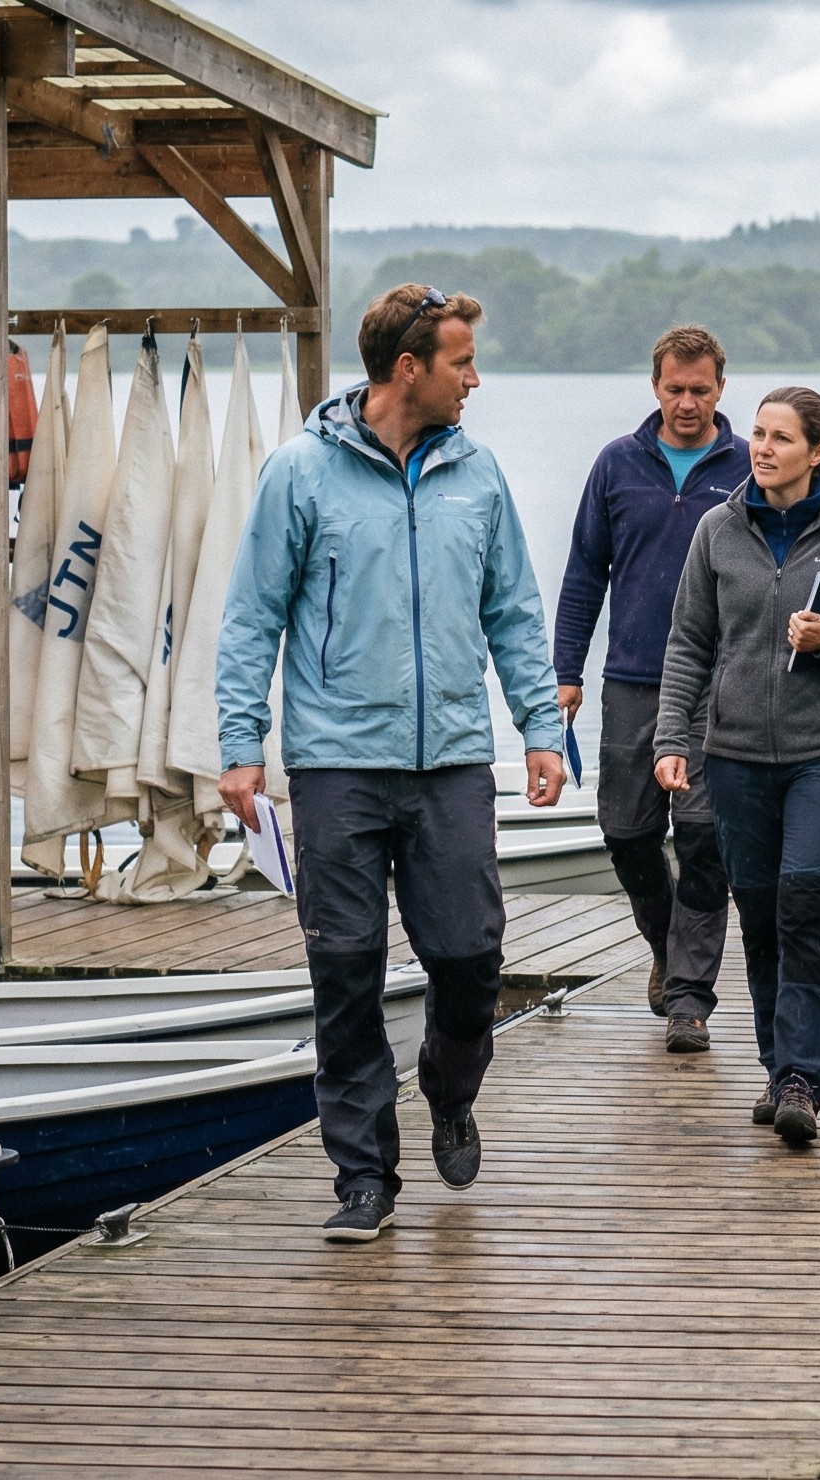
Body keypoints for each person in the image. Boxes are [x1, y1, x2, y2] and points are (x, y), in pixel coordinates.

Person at [216, 284, 565, 1241]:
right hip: (336, 761)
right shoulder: (300, 473)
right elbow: (253, 614)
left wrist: (542, 726)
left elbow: (514, 611)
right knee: (346, 968)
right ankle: (363, 1176)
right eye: (461, 362)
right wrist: (240, 746)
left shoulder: (477, 472)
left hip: (450, 754)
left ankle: (449, 1089)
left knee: (469, 955)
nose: (474, 378)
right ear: (408, 369)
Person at [654, 386, 820, 1147]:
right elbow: (689, 644)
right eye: (758, 435)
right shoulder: (717, 531)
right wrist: (672, 738)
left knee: (805, 903)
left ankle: (803, 1075)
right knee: (759, 916)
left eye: (781, 438)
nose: (762, 448)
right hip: (732, 758)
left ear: (818, 451)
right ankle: (777, 1068)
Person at [553, 326, 750, 1056]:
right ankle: (668, 946)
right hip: (632, 678)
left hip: (717, 684)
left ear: (721, 388)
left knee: (702, 839)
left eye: (701, 390)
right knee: (627, 832)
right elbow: (583, 574)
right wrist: (566, 671)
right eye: (676, 389)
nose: (688, 402)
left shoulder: (744, 467)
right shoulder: (617, 465)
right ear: (655, 386)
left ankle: (690, 999)